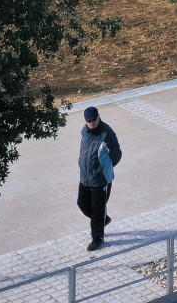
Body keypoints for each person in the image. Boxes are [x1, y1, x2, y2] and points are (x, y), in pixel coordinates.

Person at [77, 106, 123, 251]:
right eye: (88, 121)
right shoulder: (84, 131)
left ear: (98, 117)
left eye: (93, 120)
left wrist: (105, 167)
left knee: (98, 208)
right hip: (85, 176)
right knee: (82, 203)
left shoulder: (107, 133)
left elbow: (117, 155)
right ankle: (103, 219)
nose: (91, 123)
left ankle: (97, 237)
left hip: (100, 178)